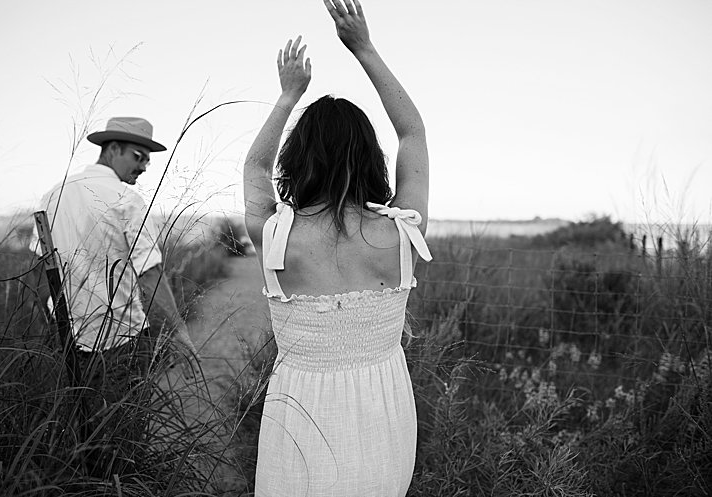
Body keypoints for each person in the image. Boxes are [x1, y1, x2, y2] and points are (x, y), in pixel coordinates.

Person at [241, 1, 431, 495]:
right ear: (371, 156)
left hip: (300, 416)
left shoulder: (276, 235)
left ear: (298, 159)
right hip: (384, 413)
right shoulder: (402, 233)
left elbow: (255, 169)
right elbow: (412, 131)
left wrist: (287, 96)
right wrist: (363, 47)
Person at [33, 116, 201, 404]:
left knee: (76, 422)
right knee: (124, 426)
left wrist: (58, 319)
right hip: (121, 339)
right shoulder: (127, 199)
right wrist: (179, 332)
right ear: (112, 149)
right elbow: (149, 273)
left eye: (148, 161)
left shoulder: (51, 195)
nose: (144, 166)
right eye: (138, 157)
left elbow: (43, 266)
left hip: (64, 335)